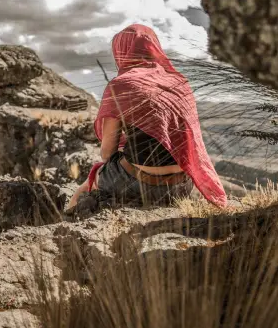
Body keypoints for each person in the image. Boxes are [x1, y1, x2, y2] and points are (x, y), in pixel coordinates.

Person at [68, 24, 227, 211]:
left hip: (137, 186)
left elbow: (106, 153)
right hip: (182, 187)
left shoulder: (121, 85)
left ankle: (67, 217)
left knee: (93, 177)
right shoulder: (180, 82)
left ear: (122, 51)